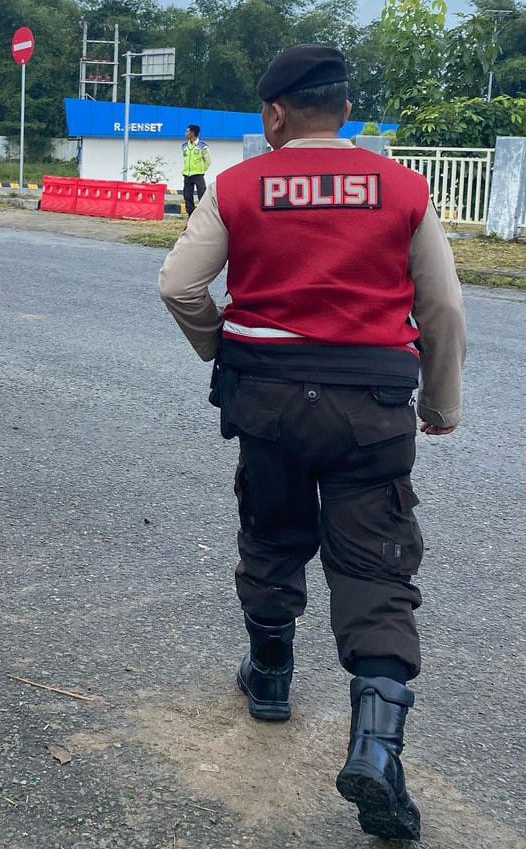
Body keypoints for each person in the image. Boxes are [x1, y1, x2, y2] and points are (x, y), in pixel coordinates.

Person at [157, 44, 466, 842]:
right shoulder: (402, 186)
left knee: (271, 534)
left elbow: (179, 285)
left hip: (267, 400)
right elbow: (443, 309)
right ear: (345, 108)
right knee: (376, 564)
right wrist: (441, 398)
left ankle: (269, 678)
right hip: (374, 404)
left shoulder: (236, 186)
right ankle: (375, 747)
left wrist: (224, 347)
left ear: (274, 115)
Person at [181, 124, 211, 217]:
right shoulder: (184, 146)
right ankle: (191, 216)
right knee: (187, 197)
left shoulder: (203, 146)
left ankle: (203, 216)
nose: (186, 133)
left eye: (187, 131)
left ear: (192, 133)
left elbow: (208, 161)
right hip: (187, 175)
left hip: (198, 175)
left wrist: (202, 170)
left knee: (202, 196)